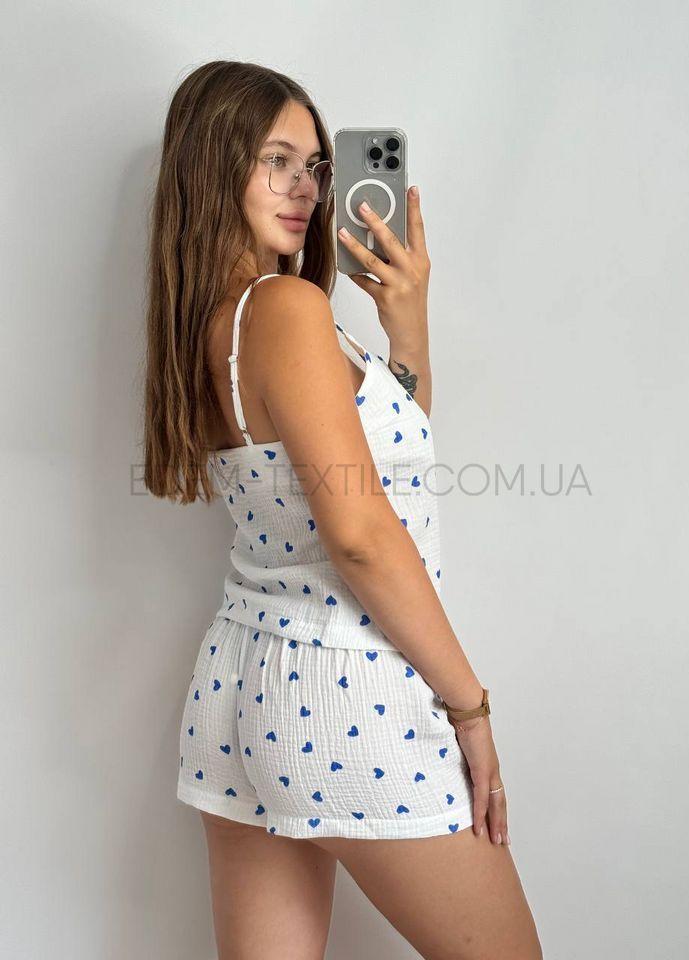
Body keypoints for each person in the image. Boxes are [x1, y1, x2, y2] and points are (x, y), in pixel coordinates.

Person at [142, 59, 542, 960]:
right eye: (276, 161)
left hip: (240, 688)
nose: (307, 190)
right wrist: (470, 711)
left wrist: (407, 324)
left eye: (315, 167)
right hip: (345, 692)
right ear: (213, 164)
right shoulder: (283, 309)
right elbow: (362, 535)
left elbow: (382, 468)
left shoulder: (211, 322)